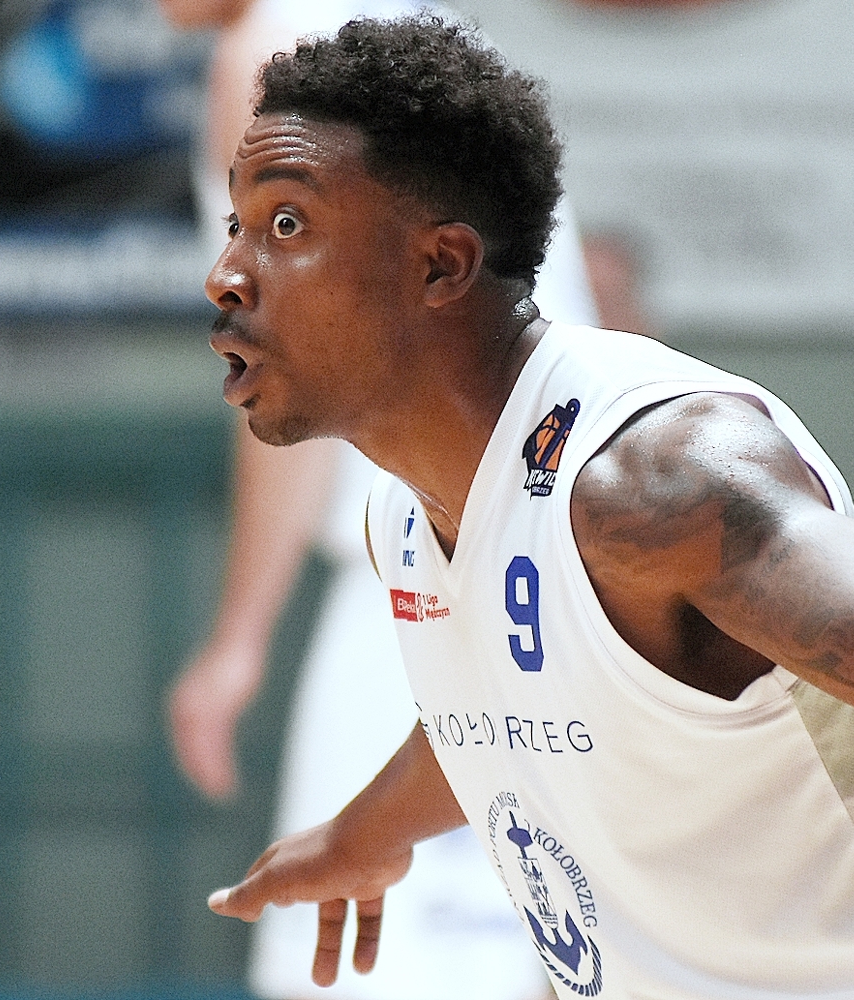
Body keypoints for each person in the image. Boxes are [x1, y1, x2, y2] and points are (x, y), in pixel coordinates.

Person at [198, 14, 854, 1000]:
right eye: (235, 225)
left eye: (286, 225)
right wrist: (362, 837)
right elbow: (509, 707)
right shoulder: (406, 514)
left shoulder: (653, 472)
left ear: (440, 265)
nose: (226, 274)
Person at [157, 1, 596, 998]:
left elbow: (295, 368)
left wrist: (237, 642)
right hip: (542, 558)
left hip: (450, 561)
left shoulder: (272, 60)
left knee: (364, 972)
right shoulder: (415, 32)